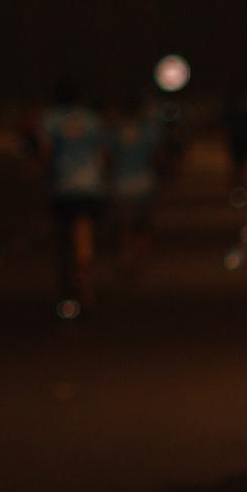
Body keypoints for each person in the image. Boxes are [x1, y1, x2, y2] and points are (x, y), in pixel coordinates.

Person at [37, 75, 108, 319]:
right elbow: (101, 153)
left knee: (63, 238)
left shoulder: (51, 120)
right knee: (84, 234)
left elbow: (46, 153)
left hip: (63, 187)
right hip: (89, 186)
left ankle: (68, 285)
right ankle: (85, 285)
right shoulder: (92, 120)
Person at [106, 92, 165, 279]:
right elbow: (157, 157)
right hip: (144, 184)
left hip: (122, 184)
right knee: (143, 226)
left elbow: (108, 157)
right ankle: (140, 261)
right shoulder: (148, 131)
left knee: (125, 226)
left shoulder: (116, 131)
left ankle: (126, 255)